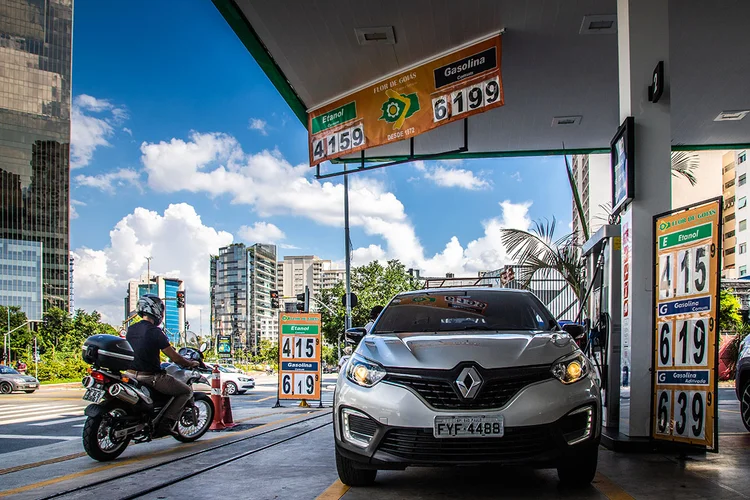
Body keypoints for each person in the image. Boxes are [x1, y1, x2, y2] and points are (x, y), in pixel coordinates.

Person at [125, 294, 199, 435]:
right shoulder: (155, 332)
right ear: (156, 310)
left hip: (129, 375)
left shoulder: (131, 329)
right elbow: (174, 357)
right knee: (186, 391)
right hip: (150, 377)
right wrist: (190, 363)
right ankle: (166, 423)